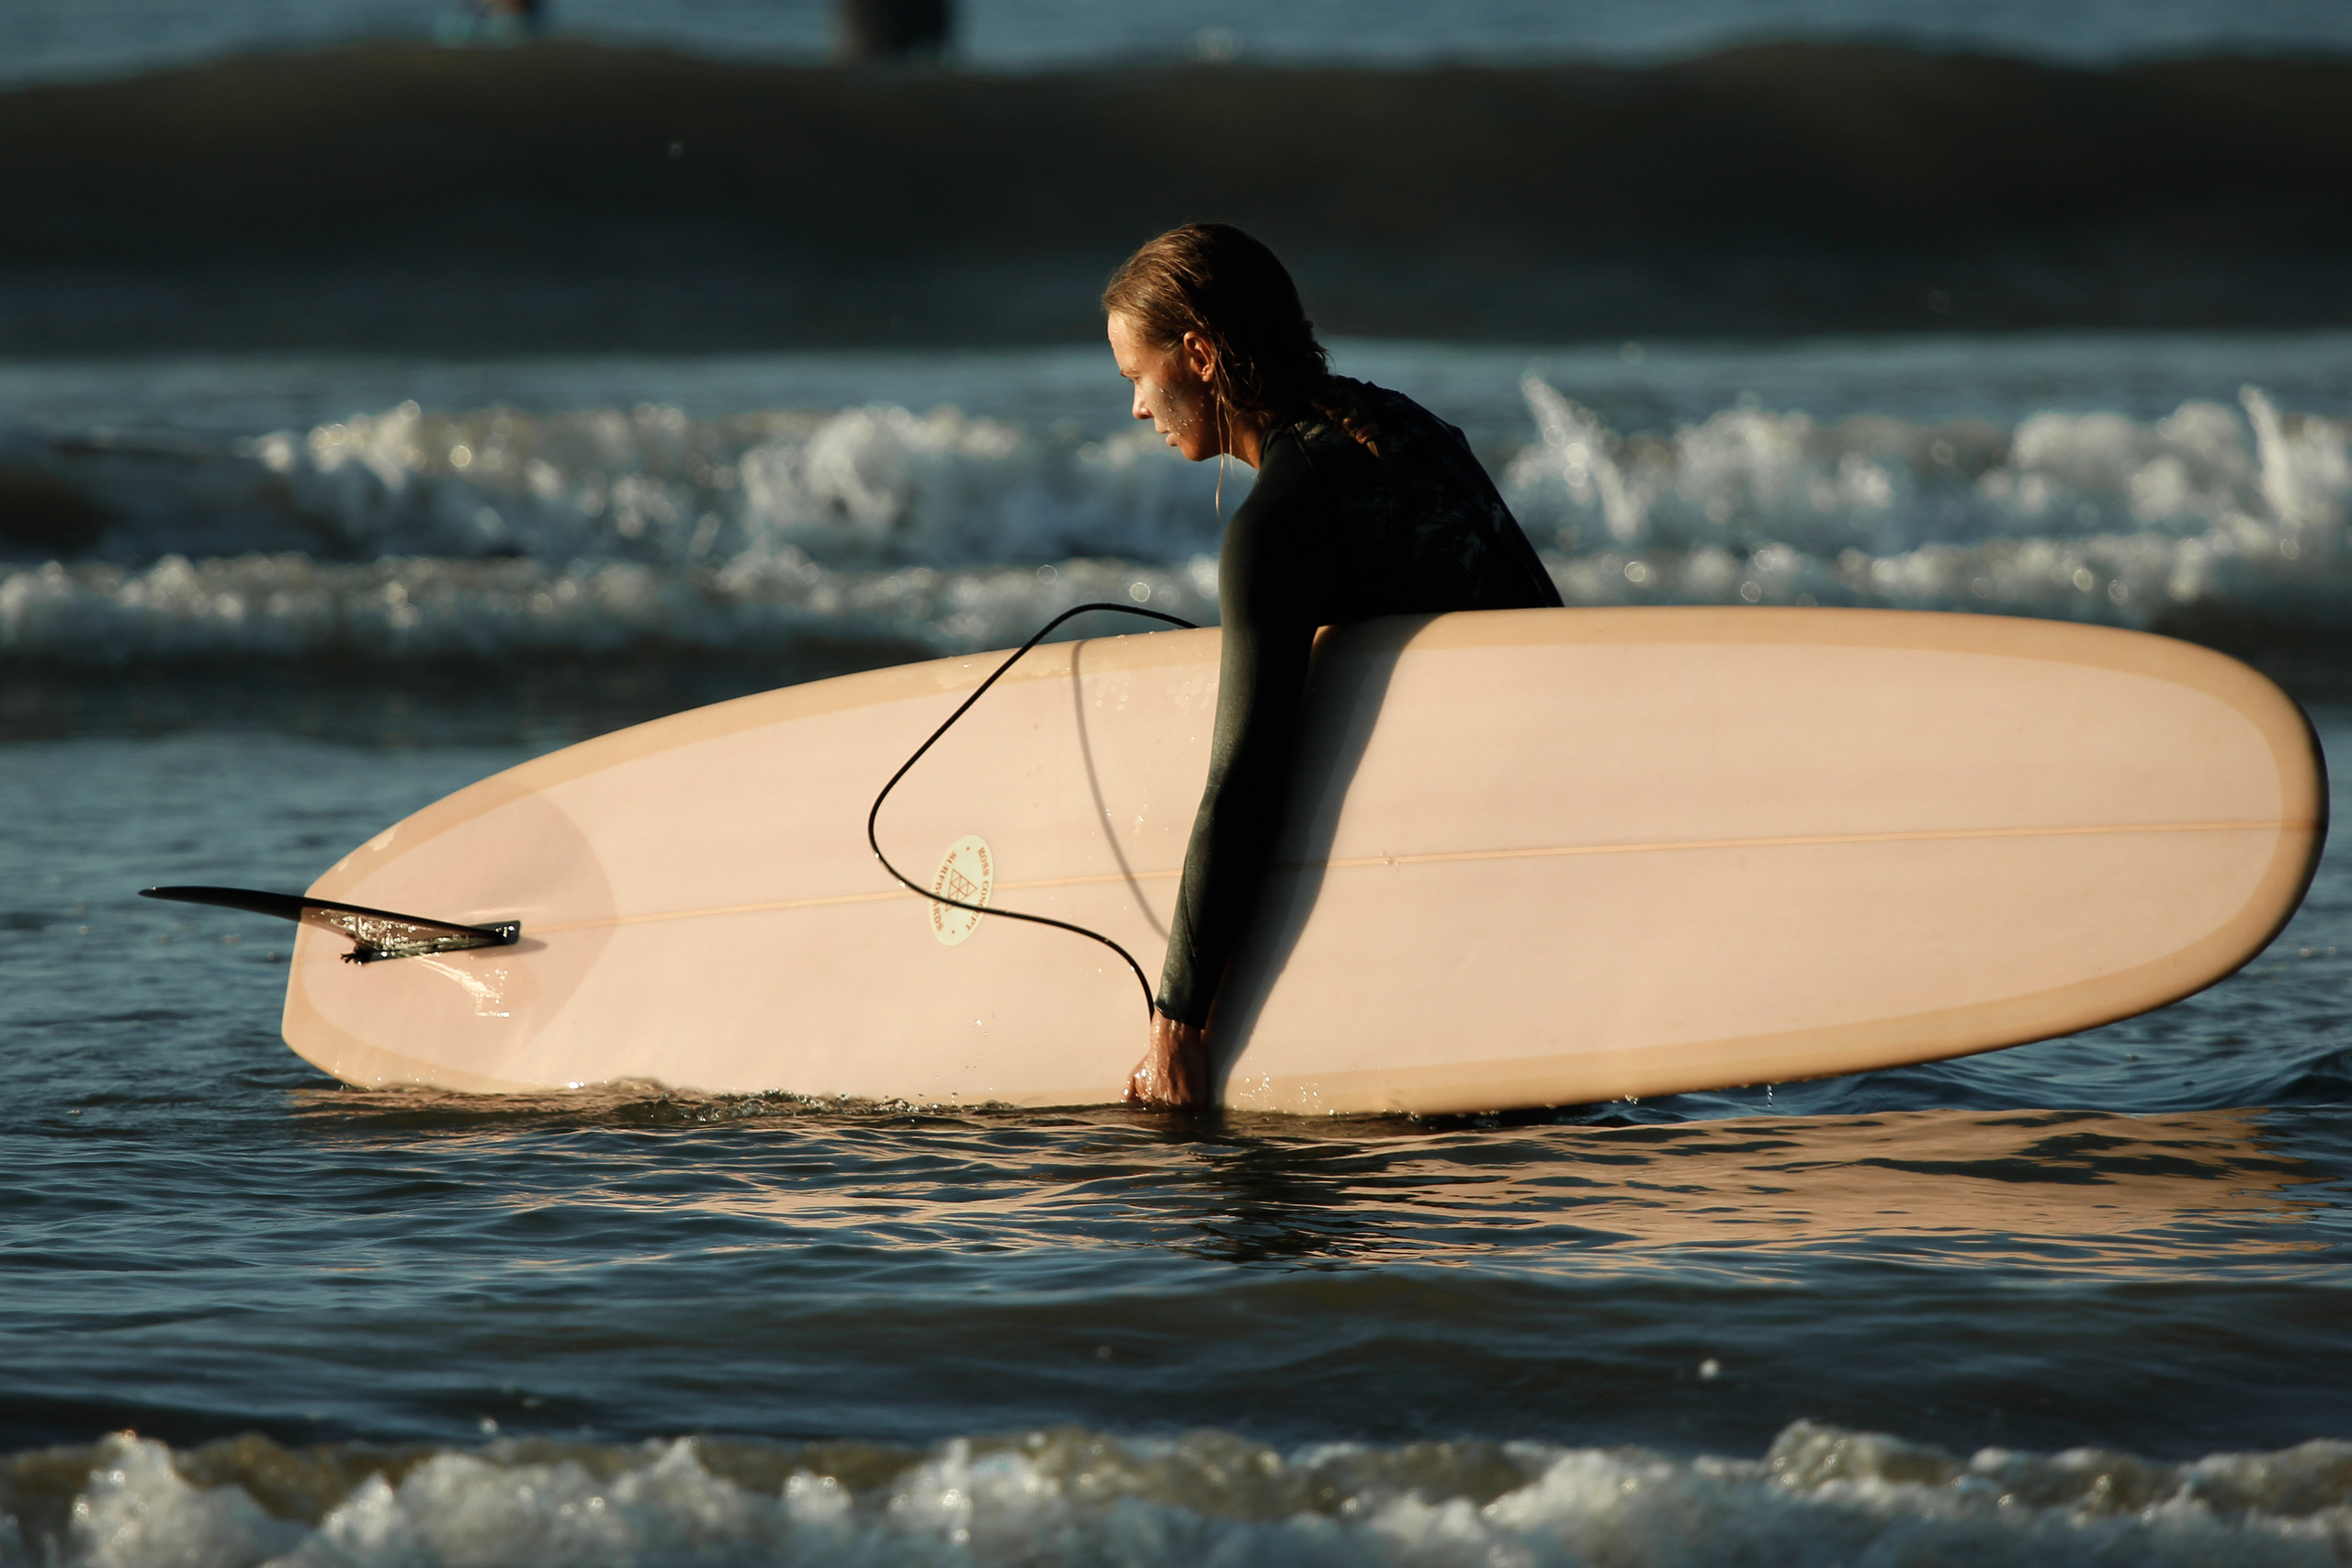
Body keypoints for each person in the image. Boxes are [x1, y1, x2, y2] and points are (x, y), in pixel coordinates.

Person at [1106, 223, 1561, 1110]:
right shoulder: (1404, 425)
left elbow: (1243, 782)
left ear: (1197, 354)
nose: (1135, 408)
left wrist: (1176, 1025)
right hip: (1542, 800)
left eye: (1135, 376)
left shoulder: (1277, 522)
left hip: (1475, 866)